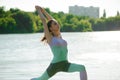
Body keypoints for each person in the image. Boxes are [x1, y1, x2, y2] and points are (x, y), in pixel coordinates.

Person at [31, 5, 88, 80]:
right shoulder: (50, 38)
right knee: (40, 79)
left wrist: (44, 11)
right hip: (55, 65)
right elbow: (44, 20)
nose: (57, 24)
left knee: (82, 67)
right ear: (51, 28)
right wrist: (38, 10)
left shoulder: (60, 36)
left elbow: (52, 20)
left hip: (65, 64)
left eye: (57, 23)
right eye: (55, 24)